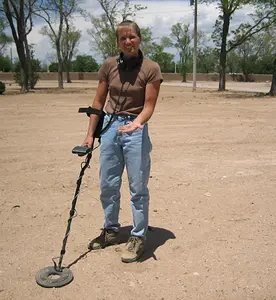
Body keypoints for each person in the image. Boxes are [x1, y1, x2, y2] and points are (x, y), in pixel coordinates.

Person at [81, 20, 163, 263]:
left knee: (138, 187)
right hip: (109, 126)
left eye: (132, 37)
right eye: (123, 38)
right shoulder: (108, 65)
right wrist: (89, 135)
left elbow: (149, 105)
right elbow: (98, 103)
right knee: (108, 183)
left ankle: (138, 236)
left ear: (139, 38)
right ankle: (111, 230)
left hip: (135, 127)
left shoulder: (151, 68)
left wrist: (138, 123)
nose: (128, 41)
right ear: (118, 42)